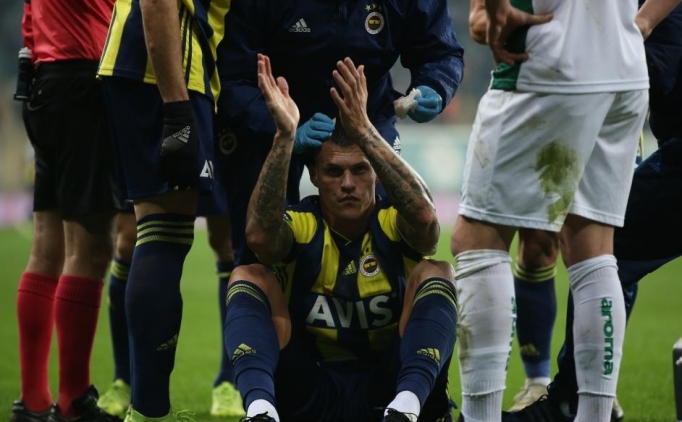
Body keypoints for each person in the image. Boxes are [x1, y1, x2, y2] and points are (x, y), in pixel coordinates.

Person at [221, 54, 458, 422]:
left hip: (387, 388)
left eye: (360, 169)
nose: (348, 183)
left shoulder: (393, 222)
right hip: (310, 390)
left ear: (376, 171)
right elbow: (259, 238)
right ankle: (260, 412)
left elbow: (428, 227)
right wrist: (284, 139)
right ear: (314, 176)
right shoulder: (303, 224)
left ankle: (407, 408)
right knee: (248, 275)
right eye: (334, 171)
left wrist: (365, 130)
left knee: (437, 271)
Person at [450, 0, 650, 421]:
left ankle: (480, 416)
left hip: (547, 61)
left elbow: (490, 16)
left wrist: (496, 8)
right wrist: (643, 22)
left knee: (477, 240)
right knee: (594, 250)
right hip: (626, 67)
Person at [507, 0, 682, 420]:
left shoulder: (649, 22)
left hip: (594, 108)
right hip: (581, 103)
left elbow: (635, 72)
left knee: (601, 243)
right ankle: (564, 387)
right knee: (577, 244)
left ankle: (574, 396)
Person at [216, 0, 464, 270]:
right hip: (275, 119)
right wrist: (279, 129)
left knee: (399, 239)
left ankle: (389, 294)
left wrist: (434, 85)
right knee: (259, 249)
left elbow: (440, 52)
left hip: (368, 116)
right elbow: (234, 78)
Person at [96, 0, 230, 419]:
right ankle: (148, 409)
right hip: (164, 73)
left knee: (160, 234)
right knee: (163, 237)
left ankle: (146, 406)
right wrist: (176, 107)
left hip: (145, 70)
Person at [9, 0, 123, 421]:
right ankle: (73, 400)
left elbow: (29, 19)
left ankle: (33, 401)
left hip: (44, 79)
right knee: (90, 248)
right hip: (82, 81)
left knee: (47, 246)